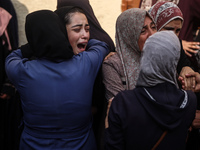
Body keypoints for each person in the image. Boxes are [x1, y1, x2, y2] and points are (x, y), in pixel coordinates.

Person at [5, 8, 109, 150]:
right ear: (62, 32)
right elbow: (102, 45)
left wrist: (33, 46)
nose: (84, 34)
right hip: (82, 144)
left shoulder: (22, 71)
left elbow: (11, 58)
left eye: (87, 29)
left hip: (33, 145)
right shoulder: (86, 63)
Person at [105, 31, 197, 150]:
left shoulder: (123, 102)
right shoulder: (189, 100)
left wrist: (108, 128)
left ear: (145, 57)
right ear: (175, 60)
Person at [55, 2, 115, 149]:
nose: (85, 35)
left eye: (87, 29)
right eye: (77, 29)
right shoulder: (99, 44)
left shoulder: (90, 54)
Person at [148, 1, 196, 88]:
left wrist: (186, 68)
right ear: (154, 27)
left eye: (177, 31)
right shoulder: (142, 47)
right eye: (169, 30)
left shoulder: (177, 45)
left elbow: (184, 64)